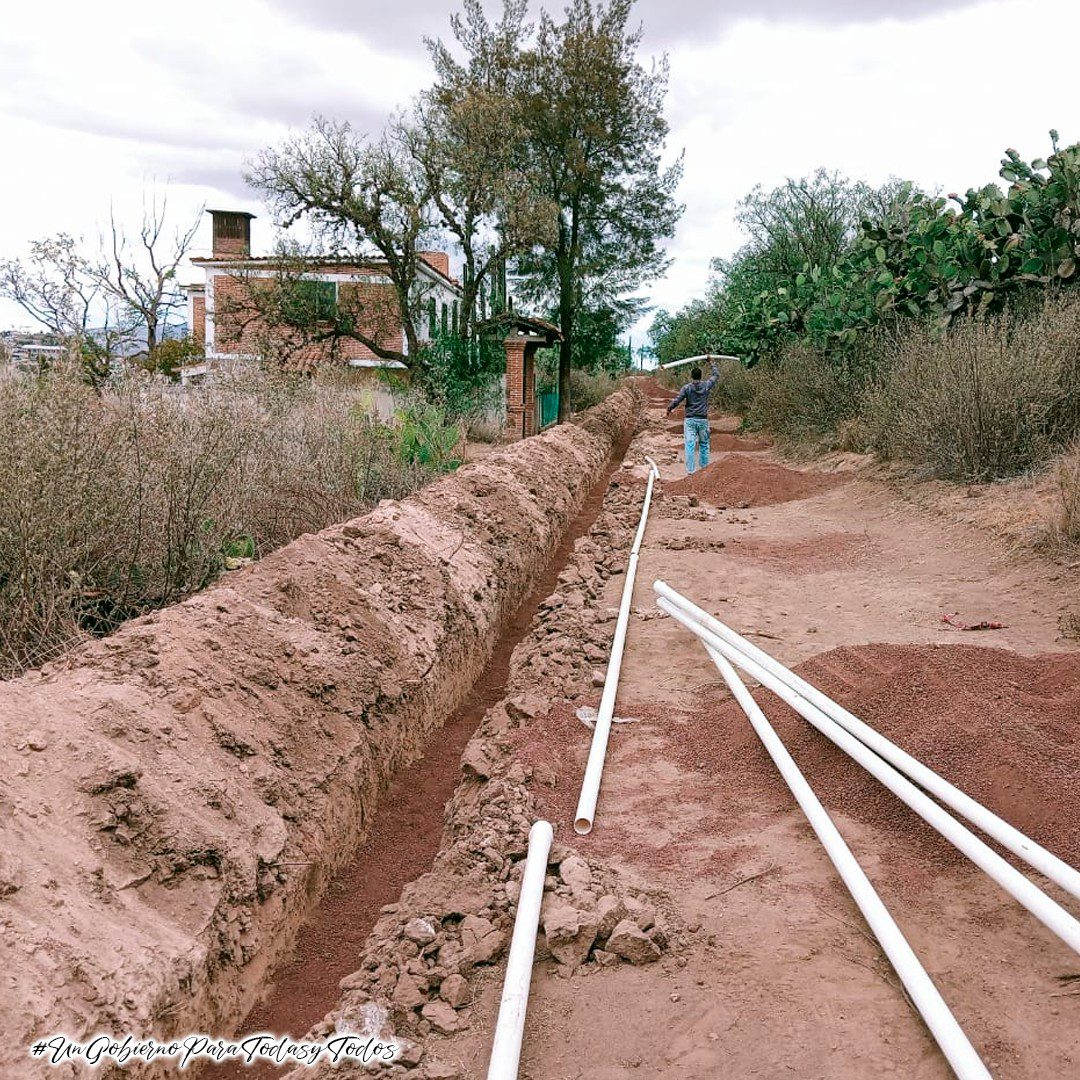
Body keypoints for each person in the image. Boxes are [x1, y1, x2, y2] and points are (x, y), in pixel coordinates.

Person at [666, 360, 720, 474]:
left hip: (690, 420)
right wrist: (712, 363)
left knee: (690, 445)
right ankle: (704, 469)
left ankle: (691, 471)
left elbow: (678, 400)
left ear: (691, 376)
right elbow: (716, 375)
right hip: (703, 420)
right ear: (701, 376)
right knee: (704, 444)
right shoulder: (706, 386)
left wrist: (669, 408)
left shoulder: (687, 388)